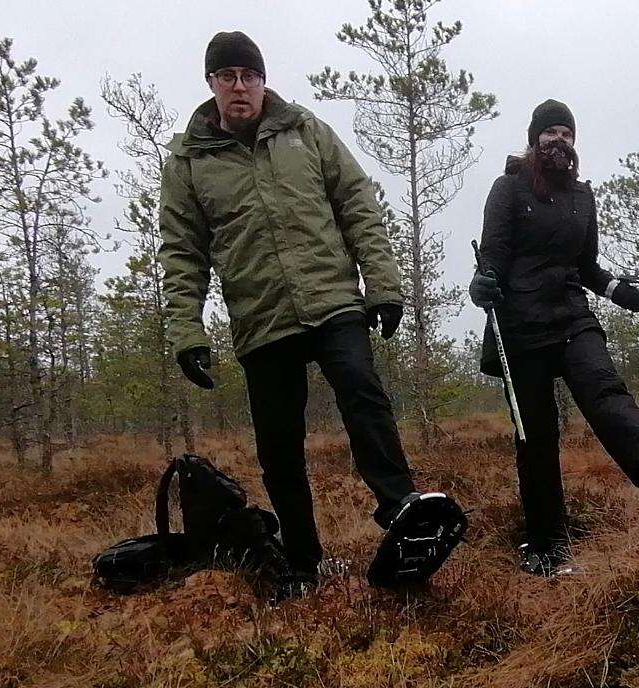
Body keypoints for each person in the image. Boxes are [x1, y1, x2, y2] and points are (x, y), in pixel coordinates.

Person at [159, 31, 453, 600]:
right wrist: (187, 329)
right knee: (278, 442)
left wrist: (383, 286)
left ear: (263, 80)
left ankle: (401, 506)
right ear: (212, 85)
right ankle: (302, 559)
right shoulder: (189, 163)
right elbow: (182, 252)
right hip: (261, 317)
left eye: (249, 75)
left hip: (332, 300)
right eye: (228, 77)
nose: (239, 86)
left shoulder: (306, 131)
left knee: (363, 393)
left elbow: (358, 205)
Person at [469, 99, 639, 576]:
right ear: (533, 139)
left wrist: (630, 296)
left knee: (604, 389)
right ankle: (545, 542)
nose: (558, 141)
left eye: (566, 133)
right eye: (550, 133)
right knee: (536, 437)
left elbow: (587, 269)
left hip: (570, 317)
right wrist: (482, 285)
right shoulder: (508, 188)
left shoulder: (582, 197)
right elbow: (493, 257)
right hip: (520, 325)